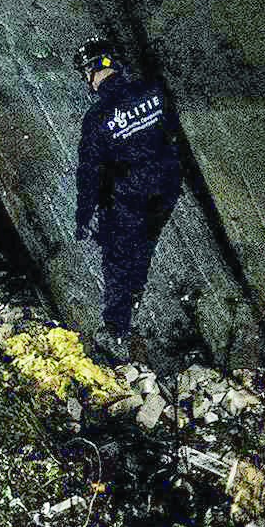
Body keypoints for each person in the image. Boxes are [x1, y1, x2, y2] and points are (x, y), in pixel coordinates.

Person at [72, 38, 188, 353]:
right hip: (166, 187)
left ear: (91, 73)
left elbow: (89, 173)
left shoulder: (97, 119)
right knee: (146, 241)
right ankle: (134, 293)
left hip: (131, 195)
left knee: (116, 253)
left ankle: (115, 327)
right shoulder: (151, 89)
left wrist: (84, 216)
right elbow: (173, 131)